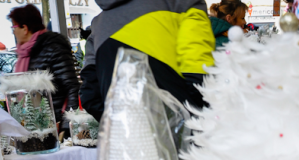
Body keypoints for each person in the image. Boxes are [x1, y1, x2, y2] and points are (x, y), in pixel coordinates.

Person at [89, 0, 217, 119]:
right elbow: (199, 75)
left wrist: (120, 126)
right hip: (180, 131)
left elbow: (89, 95)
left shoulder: (97, 26)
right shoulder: (184, 3)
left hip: (124, 135)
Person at [9, 5, 80, 125]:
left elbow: (72, 87)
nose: (13, 32)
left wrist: (67, 126)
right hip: (35, 122)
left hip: (55, 122)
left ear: (25, 28)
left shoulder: (53, 47)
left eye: (14, 27)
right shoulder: (26, 52)